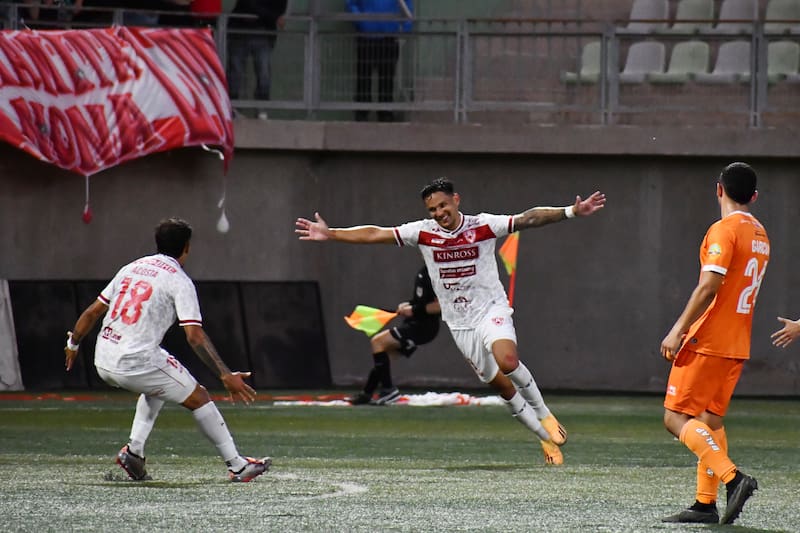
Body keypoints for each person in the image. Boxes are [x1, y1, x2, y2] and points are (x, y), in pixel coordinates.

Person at [296, 177, 606, 464]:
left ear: (456, 200)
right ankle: (544, 439)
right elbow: (376, 233)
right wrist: (331, 233)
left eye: (443, 205)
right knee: (501, 386)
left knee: (508, 360)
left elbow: (529, 218)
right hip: (459, 324)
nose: (439, 213)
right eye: (433, 209)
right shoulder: (423, 232)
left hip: (491, 310)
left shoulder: (483, 225)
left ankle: (544, 414)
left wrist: (571, 211)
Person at [64, 217, 270, 482]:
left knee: (160, 379)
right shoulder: (178, 280)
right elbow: (195, 337)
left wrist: (73, 343)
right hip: (134, 362)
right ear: (187, 247)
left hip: (103, 358)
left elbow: (92, 312)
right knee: (199, 397)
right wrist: (225, 374)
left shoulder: (131, 268)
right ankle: (238, 466)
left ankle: (134, 452)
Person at [659, 162, 767, 525]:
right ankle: (705, 504)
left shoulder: (724, 230)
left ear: (718, 189)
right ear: (753, 196)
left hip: (709, 339)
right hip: (738, 342)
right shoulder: (761, 234)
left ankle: (733, 479)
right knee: (710, 420)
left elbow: (709, 286)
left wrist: (678, 329)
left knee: (675, 417)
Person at [349, 265, 441, 406]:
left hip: (422, 328)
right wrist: (408, 305)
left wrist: (415, 309)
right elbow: (423, 300)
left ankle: (388, 391)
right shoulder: (425, 270)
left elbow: (441, 306)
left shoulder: (438, 273)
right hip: (415, 324)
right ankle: (367, 393)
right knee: (384, 359)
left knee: (377, 342)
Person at [346, 0, 413, 122]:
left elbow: (407, 6)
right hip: (366, 37)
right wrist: (362, 21)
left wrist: (405, 27)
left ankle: (385, 113)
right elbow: (351, 4)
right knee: (364, 77)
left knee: (387, 77)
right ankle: (362, 113)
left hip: (389, 37)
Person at [227, 0, 288, 119]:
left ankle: (261, 107)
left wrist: (267, 15)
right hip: (241, 32)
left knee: (262, 72)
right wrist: (272, 17)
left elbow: (278, 8)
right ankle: (233, 106)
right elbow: (249, 5)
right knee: (236, 72)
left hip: (259, 32)